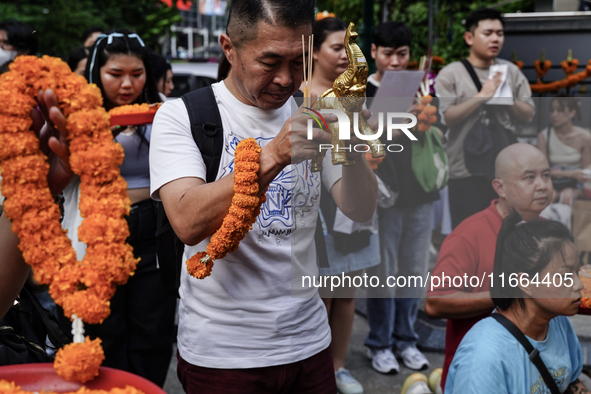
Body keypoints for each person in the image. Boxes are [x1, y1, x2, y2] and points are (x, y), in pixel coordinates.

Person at [149, 0, 377, 392]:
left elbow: (358, 208)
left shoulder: (316, 113)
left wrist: (352, 147)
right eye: (269, 63)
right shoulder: (182, 115)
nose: (286, 79)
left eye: (298, 62)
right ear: (229, 49)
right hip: (224, 354)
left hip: (310, 341)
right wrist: (272, 155)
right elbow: (186, 221)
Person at [76, 29, 176, 387]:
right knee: (104, 328)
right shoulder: (79, 117)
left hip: (154, 231)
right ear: (95, 73)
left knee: (153, 328)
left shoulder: (166, 112)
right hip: (97, 234)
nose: (126, 84)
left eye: (136, 74)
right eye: (115, 74)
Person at [425, 143, 553, 391]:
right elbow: (435, 302)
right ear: (500, 187)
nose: (542, 185)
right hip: (479, 377)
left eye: (546, 175)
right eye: (530, 177)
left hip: (535, 373)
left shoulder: (549, 232)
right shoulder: (469, 234)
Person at [304, 16, 379, 394]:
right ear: (315, 51)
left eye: (350, 50)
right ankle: (319, 366)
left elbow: (371, 141)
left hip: (352, 197)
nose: (346, 57)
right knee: (323, 293)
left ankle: (338, 365)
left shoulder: (360, 92)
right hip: (316, 207)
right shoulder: (296, 95)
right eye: (337, 48)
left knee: (348, 291)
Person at [363, 21, 439, 375]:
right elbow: (356, 140)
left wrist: (423, 117)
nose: (395, 62)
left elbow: (436, 130)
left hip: (421, 189)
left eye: (402, 54)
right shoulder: (360, 90)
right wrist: (391, 124)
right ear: (374, 52)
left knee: (413, 270)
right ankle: (379, 343)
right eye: (389, 53)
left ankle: (405, 340)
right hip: (384, 192)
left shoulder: (422, 85)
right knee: (383, 271)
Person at [445, 213, 589, 393]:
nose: (579, 284)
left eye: (577, 272)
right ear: (525, 283)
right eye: (565, 276)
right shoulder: (484, 357)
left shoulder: (557, 321)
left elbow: (569, 383)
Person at [434, 8, 534, 229]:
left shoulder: (510, 72)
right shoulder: (451, 73)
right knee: (469, 232)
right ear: (469, 37)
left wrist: (509, 99)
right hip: (463, 171)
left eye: (499, 33)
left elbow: (528, 115)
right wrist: (481, 97)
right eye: (488, 33)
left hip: (505, 171)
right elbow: (446, 117)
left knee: (506, 232)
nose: (495, 39)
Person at [537, 96, 591, 203]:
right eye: (552, 111)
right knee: (549, 198)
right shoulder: (544, 136)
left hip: (575, 183)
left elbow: (586, 167)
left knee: (567, 198)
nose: (554, 115)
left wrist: (578, 188)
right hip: (551, 181)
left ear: (572, 113)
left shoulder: (585, 137)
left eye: (560, 110)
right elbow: (541, 170)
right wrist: (570, 173)